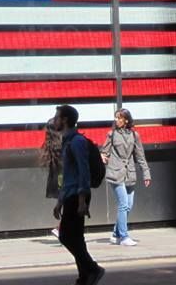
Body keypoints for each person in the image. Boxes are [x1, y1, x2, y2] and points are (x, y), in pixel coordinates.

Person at [52, 105, 104, 285]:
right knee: (76, 237)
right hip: (71, 195)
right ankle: (85, 276)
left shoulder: (76, 142)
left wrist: (82, 200)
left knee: (66, 236)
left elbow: (83, 172)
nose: (54, 120)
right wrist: (59, 201)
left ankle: (93, 269)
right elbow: (68, 176)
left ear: (65, 120)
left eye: (57, 117)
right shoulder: (67, 141)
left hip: (78, 196)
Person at [100, 109, 151, 247]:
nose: (116, 120)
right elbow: (103, 151)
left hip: (129, 173)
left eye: (119, 118)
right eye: (116, 118)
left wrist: (146, 173)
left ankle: (116, 234)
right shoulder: (112, 134)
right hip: (115, 173)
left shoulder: (135, 135)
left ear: (126, 120)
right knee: (123, 204)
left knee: (128, 205)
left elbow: (140, 156)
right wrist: (102, 156)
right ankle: (124, 236)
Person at [39, 117, 63, 239]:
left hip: (59, 177)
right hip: (64, 177)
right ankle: (61, 228)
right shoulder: (61, 145)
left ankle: (61, 228)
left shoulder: (51, 144)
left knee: (65, 202)